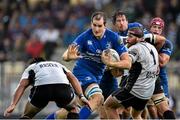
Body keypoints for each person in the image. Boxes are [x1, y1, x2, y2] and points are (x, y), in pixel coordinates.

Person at [46, 11, 131, 119]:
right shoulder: (85, 36)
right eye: (94, 25)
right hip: (82, 72)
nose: (96, 29)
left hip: (97, 77)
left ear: (105, 25)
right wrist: (68, 57)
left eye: (99, 26)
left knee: (70, 111)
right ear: (91, 24)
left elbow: (127, 63)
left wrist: (111, 63)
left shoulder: (113, 38)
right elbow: (65, 55)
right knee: (98, 98)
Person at [4, 57, 90, 119]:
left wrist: (13, 105)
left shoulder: (31, 67)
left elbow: (22, 85)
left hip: (42, 90)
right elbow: (73, 78)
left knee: (27, 115)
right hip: (62, 88)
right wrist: (81, 96)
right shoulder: (58, 64)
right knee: (74, 109)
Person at [104, 26, 159, 119]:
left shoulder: (135, 48)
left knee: (108, 105)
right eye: (127, 35)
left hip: (135, 90)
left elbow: (127, 63)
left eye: (131, 36)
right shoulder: (152, 47)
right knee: (135, 115)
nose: (127, 39)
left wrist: (110, 63)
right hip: (148, 92)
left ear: (138, 39)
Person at [145, 17, 176, 119]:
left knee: (162, 111)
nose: (156, 30)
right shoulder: (145, 40)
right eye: (154, 27)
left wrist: (151, 49)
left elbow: (162, 62)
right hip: (146, 78)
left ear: (162, 30)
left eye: (159, 28)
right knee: (149, 111)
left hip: (160, 79)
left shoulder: (166, 43)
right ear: (150, 28)